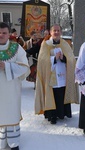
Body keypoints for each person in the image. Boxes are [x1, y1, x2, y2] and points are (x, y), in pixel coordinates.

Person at [35, 24, 79, 124]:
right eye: (54, 30)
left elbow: (71, 59)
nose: (56, 32)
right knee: (53, 94)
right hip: (51, 75)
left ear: (61, 32)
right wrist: (54, 58)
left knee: (61, 93)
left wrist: (64, 58)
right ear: (50, 32)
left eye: (58, 30)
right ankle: (52, 116)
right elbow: (42, 60)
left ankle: (62, 113)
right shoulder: (45, 44)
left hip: (63, 74)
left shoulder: (65, 44)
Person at [0, 22, 29, 150]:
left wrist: (6, 66)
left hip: (11, 89)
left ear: (9, 34)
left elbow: (25, 67)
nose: (1, 35)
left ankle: (13, 142)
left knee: (11, 113)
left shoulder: (16, 48)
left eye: (4, 33)